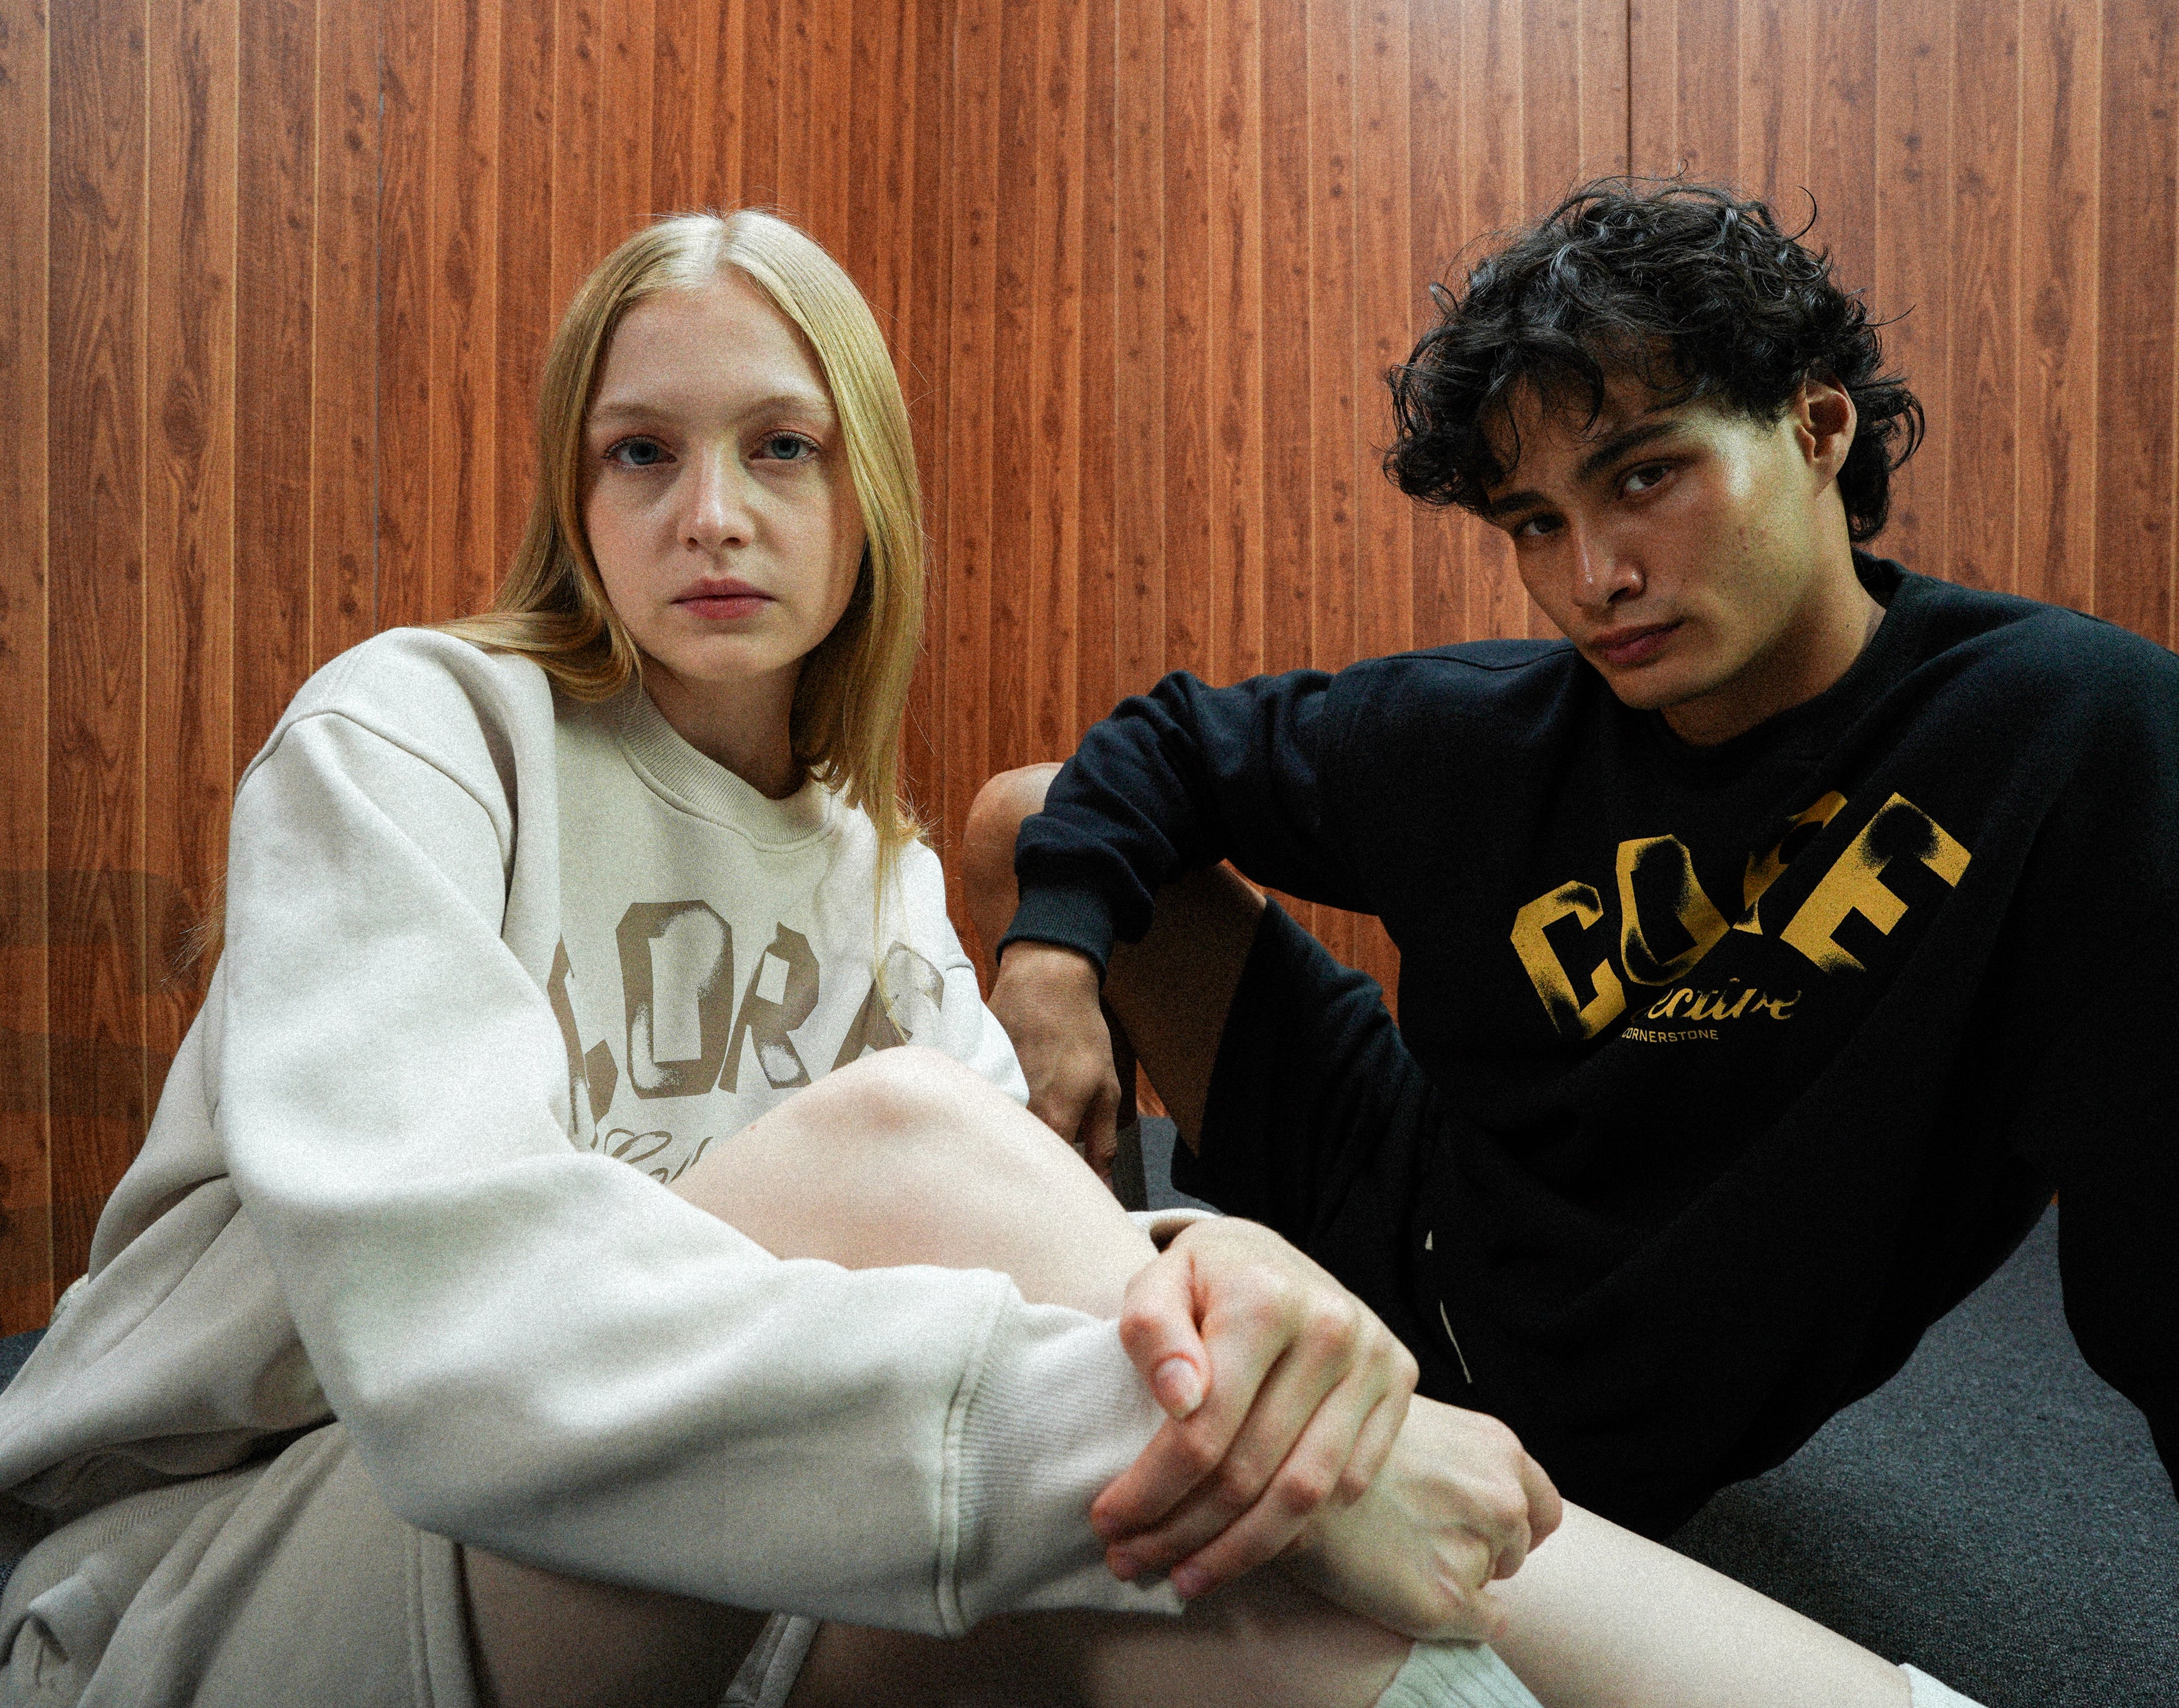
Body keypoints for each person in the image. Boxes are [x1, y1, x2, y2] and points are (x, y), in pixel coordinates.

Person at [0, 206, 1967, 1708]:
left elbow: (1051, 1263)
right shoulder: (415, 736)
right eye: (640, 454)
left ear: (866, 492)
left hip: (729, 1548)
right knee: (932, 1172)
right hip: (242, 1587)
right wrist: (1241, 1422)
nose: (712, 515)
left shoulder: (866, 860)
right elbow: (455, 1356)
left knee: (1223, 1586)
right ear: (573, 498)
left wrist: (1226, 1288)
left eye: (783, 448)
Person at [971, 179, 2179, 1694]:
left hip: (1631, 1409)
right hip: (1411, 1224)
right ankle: (1131, 1390)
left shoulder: (2078, 749)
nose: (1594, 576)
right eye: (1538, 523)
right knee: (1033, 823)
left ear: (1820, 426)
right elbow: (1167, 746)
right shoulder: (1490, 733)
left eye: (1646, 475)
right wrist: (1051, 965)